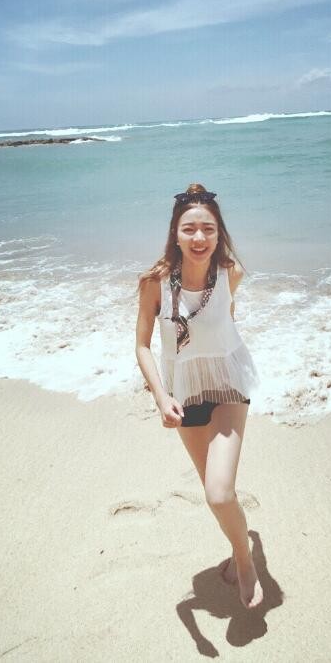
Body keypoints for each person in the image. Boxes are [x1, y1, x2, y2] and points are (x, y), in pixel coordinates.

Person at [135, 183, 263, 609]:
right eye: (189, 228)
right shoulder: (155, 283)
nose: (199, 237)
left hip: (227, 384)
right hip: (184, 394)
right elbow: (142, 346)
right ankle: (241, 541)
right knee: (215, 490)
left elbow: (226, 318)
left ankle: (244, 558)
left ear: (219, 232)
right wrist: (161, 397)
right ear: (175, 234)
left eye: (208, 228)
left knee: (219, 494)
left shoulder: (230, 274)